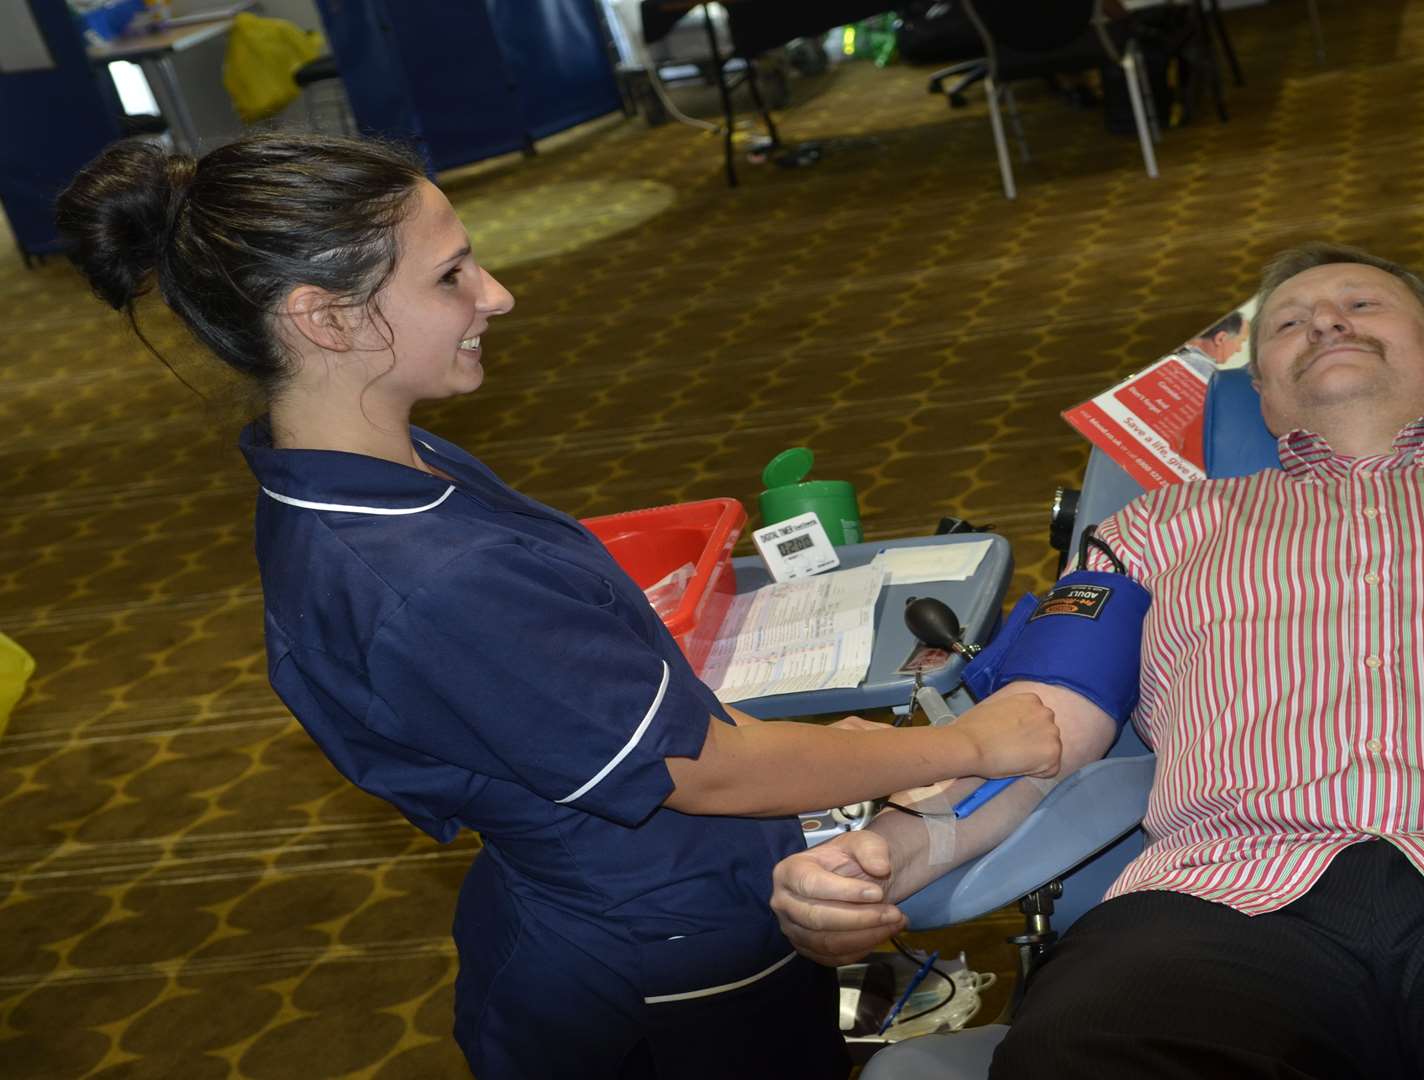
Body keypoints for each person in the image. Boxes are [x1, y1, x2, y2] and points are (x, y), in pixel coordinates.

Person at [54, 133, 1063, 1080]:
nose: (496, 294)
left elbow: (624, 708)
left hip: (650, 888)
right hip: (660, 955)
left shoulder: (367, 462)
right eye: (450, 276)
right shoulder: (422, 576)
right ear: (327, 318)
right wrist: (970, 745)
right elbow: (698, 773)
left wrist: (809, 760)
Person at [769, 243, 1424, 1078]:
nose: (1322, 322)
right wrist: (895, 849)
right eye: (1287, 323)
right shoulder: (1161, 529)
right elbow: (1041, 724)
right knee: (1093, 1049)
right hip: (1228, 902)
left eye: (1360, 304)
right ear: (1261, 392)